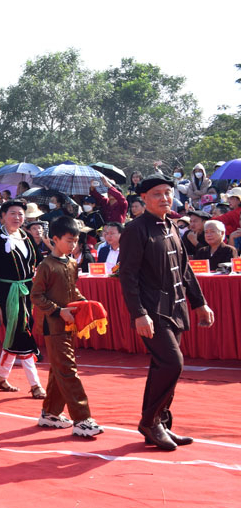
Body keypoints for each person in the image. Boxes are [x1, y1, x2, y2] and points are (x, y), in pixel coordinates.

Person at [120, 175, 214, 450]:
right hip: (152, 310)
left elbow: (184, 269)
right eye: (157, 194)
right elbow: (127, 276)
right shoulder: (136, 229)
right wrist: (138, 313)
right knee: (173, 363)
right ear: (144, 199)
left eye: (168, 192)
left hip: (176, 307)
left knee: (163, 366)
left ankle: (158, 422)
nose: (164, 198)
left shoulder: (171, 225)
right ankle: (150, 422)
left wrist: (200, 303)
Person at [30, 216, 105, 437]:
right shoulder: (46, 266)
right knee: (68, 370)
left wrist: (84, 303)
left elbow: (72, 291)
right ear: (55, 239)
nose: (73, 245)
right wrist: (57, 310)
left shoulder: (72, 263)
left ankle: (51, 413)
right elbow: (36, 296)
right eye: (69, 240)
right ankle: (82, 418)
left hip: (68, 323)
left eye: (76, 241)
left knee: (59, 370)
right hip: (52, 325)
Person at [0, 199, 45, 398]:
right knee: (22, 332)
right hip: (6, 293)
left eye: (20, 214)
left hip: (26, 292)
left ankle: (0, 377)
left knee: (16, 332)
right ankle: (35, 384)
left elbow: (37, 261)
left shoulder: (26, 236)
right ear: (2, 216)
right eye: (12, 213)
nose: (17, 217)